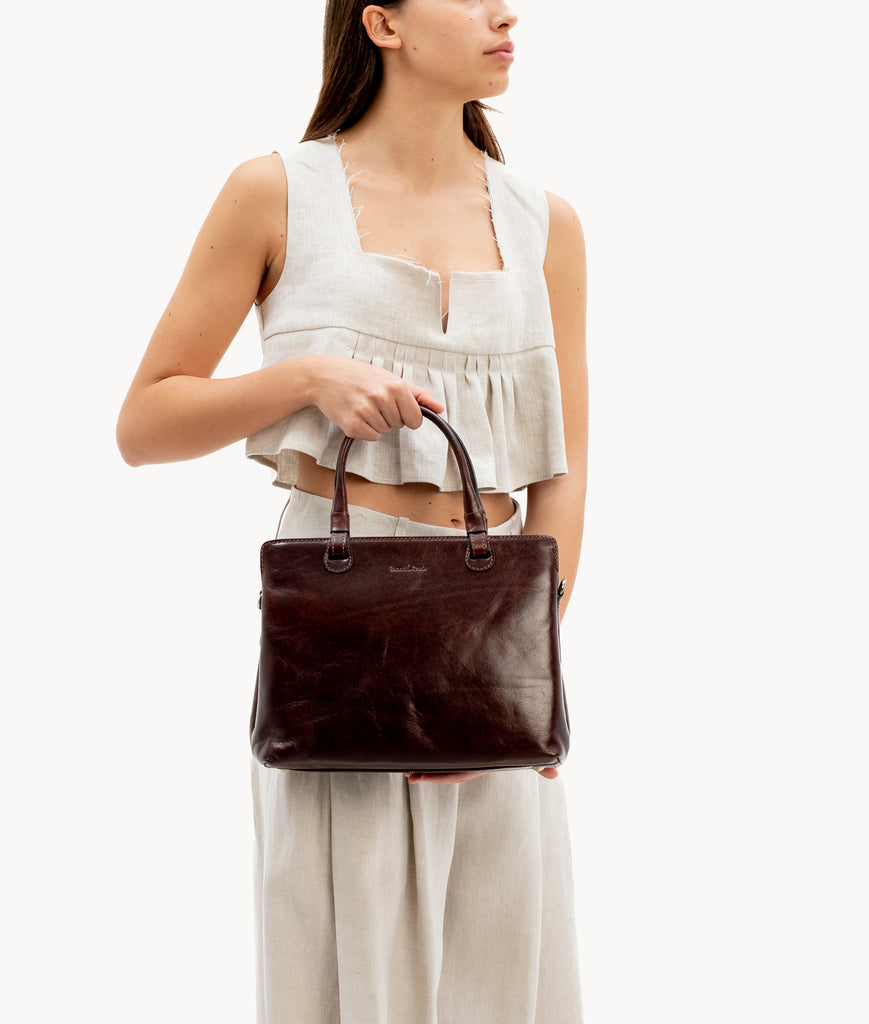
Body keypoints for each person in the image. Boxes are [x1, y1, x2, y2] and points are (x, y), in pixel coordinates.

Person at [117, 0, 587, 1020]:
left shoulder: (546, 221)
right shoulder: (274, 192)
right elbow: (145, 424)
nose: (507, 13)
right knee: (342, 957)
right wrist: (306, 378)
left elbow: (563, 473)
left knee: (499, 967)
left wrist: (516, 669)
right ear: (382, 23)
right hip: (339, 625)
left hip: (488, 625)